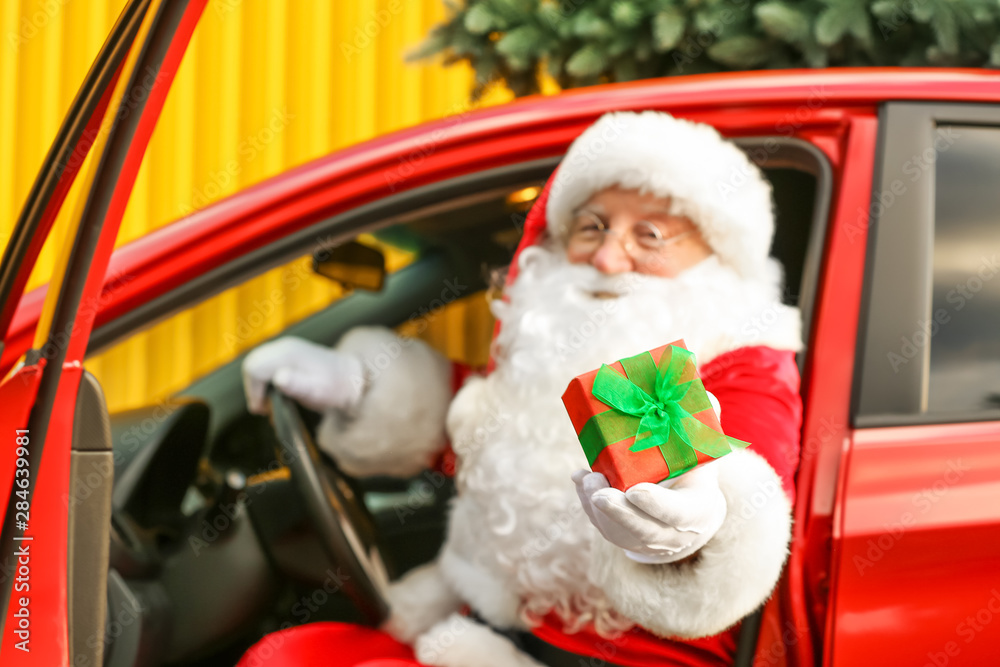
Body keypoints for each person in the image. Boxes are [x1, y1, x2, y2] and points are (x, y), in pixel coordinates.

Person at [240, 110, 803, 667]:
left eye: (649, 235)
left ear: (715, 257)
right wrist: (358, 383)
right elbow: (491, 418)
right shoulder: (552, 338)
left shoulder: (740, 358)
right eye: (592, 226)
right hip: (487, 617)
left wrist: (702, 519)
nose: (607, 259)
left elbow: (750, 475)